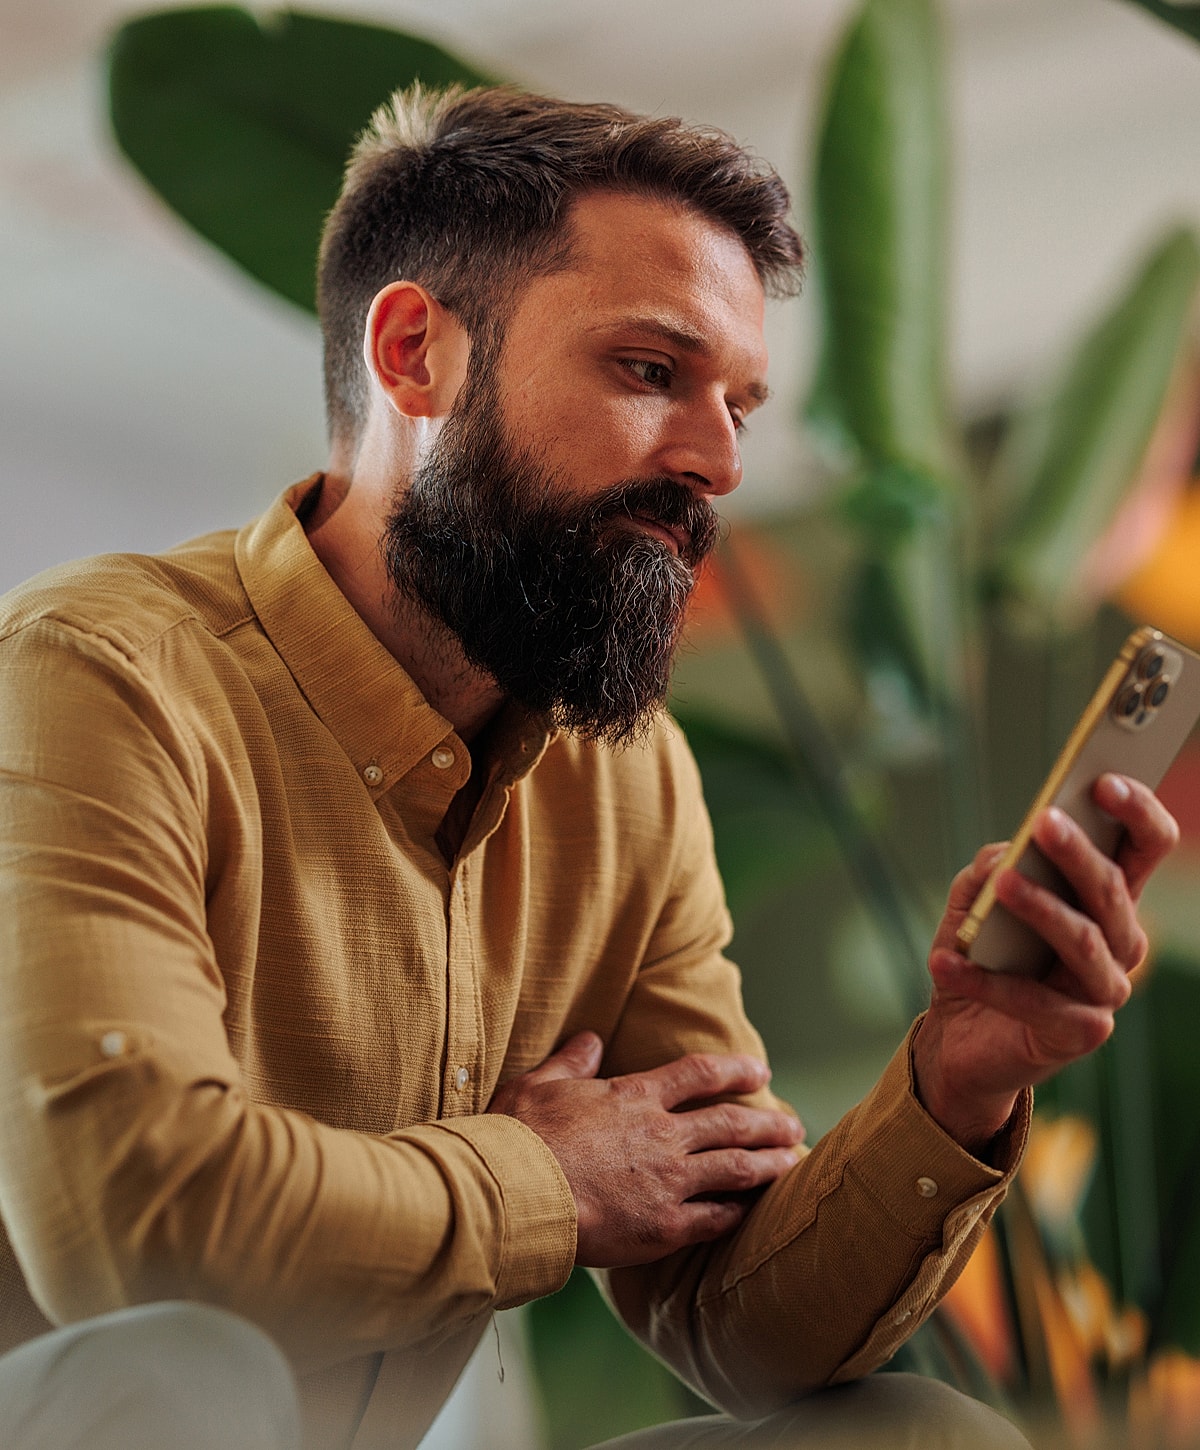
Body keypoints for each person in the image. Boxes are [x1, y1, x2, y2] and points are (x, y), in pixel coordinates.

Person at [0, 85, 1175, 1450]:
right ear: (414, 355)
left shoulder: (629, 779)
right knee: (191, 1376)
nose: (721, 460)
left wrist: (959, 1079)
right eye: (649, 371)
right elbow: (134, 1231)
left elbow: (737, 1319)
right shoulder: (89, 671)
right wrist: (544, 1176)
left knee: (915, 1434)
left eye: (740, 404)